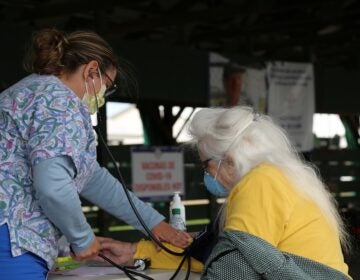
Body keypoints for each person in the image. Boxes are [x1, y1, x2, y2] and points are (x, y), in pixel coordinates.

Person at [0, 28, 191, 280]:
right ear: (91, 71)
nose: (102, 96)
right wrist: (82, 238)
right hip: (12, 238)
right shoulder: (60, 103)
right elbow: (53, 186)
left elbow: (91, 178)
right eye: (107, 86)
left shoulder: (26, 91)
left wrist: (153, 223)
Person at [96, 106, 352, 279]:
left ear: (227, 160)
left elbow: (232, 264)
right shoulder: (284, 176)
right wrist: (136, 252)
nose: (206, 174)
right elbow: (220, 252)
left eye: (205, 164)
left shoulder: (260, 182)